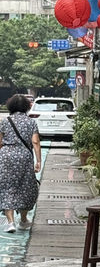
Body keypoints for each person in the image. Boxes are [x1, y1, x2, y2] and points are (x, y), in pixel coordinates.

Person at [0, 94, 42, 233]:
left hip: (6, 156)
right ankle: (23, 220)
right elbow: (35, 142)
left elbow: (0, 142)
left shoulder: (5, 122)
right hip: (25, 157)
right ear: (26, 107)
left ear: (10, 106)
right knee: (26, 187)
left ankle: (10, 222)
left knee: (7, 187)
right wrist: (39, 161)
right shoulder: (31, 122)